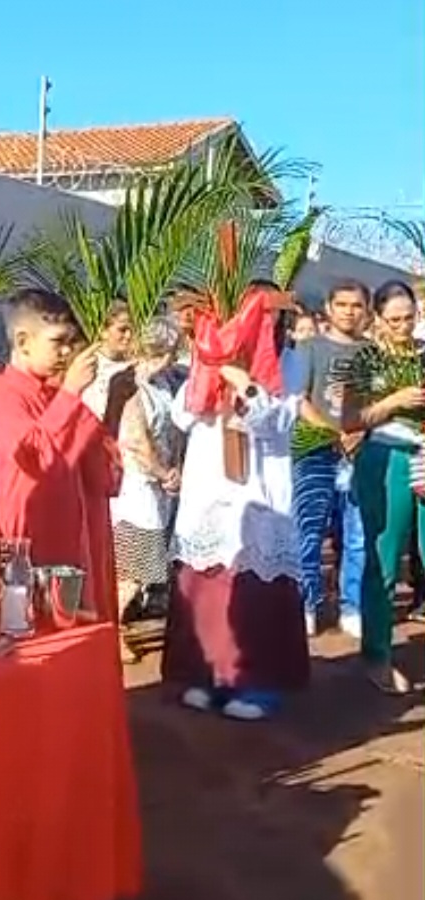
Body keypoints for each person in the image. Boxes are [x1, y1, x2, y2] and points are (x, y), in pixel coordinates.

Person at [163, 289, 309, 721]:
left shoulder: (292, 363)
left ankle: (257, 684)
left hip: (259, 491)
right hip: (210, 490)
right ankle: (208, 678)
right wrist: (212, 371)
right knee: (208, 587)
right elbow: (182, 415)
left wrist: (243, 380)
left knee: (255, 591)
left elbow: (275, 419)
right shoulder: (209, 359)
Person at [0, 289, 131, 624]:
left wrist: (113, 405)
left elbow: (106, 476)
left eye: (70, 342)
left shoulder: (58, 396)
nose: (65, 352)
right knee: (28, 646)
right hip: (25, 541)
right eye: (57, 341)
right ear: (23, 340)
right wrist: (71, 393)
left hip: (76, 543)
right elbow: (36, 457)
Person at [334, 280, 425, 694]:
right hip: (384, 460)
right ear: (379, 319)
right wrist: (394, 401)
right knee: (383, 557)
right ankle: (377, 655)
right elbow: (351, 419)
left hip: (423, 455)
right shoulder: (365, 360)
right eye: (394, 320)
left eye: (409, 318)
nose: (402, 326)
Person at [289, 280, 370, 638]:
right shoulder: (308, 349)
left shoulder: (374, 351)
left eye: (357, 305)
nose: (349, 311)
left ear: (366, 310)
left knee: (357, 534)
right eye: (343, 304)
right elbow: (298, 400)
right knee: (308, 531)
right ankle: (307, 602)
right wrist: (333, 433)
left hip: (361, 453)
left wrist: (360, 432)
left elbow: (381, 400)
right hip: (314, 452)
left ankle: (351, 605)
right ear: (329, 307)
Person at [112, 318, 182, 663]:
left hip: (156, 486)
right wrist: (164, 472)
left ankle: (116, 625)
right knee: (134, 566)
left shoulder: (163, 384)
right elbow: (136, 440)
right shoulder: (132, 385)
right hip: (135, 487)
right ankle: (111, 628)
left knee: (142, 564)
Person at [82, 301, 135, 420]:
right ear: (103, 331)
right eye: (122, 330)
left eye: (132, 329)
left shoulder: (135, 365)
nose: (129, 335)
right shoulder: (89, 366)